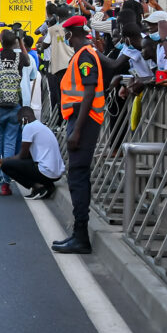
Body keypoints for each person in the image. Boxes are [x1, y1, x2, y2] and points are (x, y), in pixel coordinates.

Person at [52, 15, 106, 254]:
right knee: (78, 177)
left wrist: (78, 131)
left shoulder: (84, 55)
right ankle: (77, 233)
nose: (66, 40)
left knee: (78, 177)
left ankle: (81, 236)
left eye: (67, 36)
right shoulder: (88, 53)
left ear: (71, 34)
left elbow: (90, 90)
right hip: (82, 120)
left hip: (85, 122)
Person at [0, 29, 30, 196]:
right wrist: (21, 41)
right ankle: (5, 184)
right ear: (15, 42)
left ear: (2, 41)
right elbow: (29, 61)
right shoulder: (20, 58)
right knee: (9, 144)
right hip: (14, 106)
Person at [0, 107, 65, 199]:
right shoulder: (41, 126)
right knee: (21, 162)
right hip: (57, 173)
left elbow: (22, 155)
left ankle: (38, 187)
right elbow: (28, 156)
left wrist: (4, 160)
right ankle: (47, 185)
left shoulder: (29, 127)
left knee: (5, 165)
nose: (19, 124)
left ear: (24, 119)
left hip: (47, 172)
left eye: (19, 121)